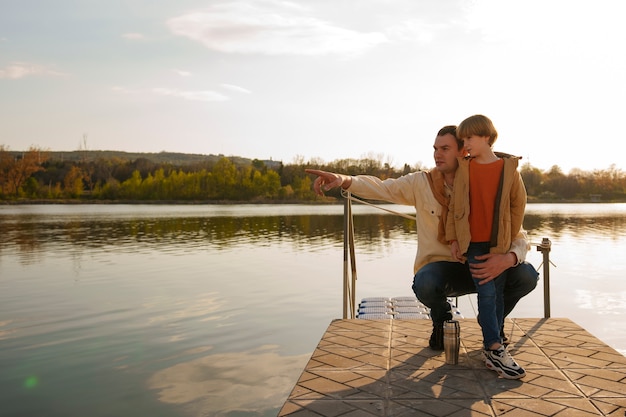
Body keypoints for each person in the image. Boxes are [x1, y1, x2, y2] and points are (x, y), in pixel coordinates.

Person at [305, 125, 538, 375]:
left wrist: (508, 258)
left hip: (485, 265)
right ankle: (442, 319)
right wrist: (344, 180)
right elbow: (384, 187)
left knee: (526, 275)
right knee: (425, 282)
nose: (437, 155)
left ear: (463, 151)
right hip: (444, 270)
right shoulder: (421, 182)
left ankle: (494, 323)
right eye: (435, 149)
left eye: (445, 149)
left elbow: (517, 233)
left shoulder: (484, 180)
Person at [446, 115, 527, 379]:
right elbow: (454, 207)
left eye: (469, 138)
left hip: (498, 243)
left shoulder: (509, 169)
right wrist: (454, 239)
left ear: (487, 138)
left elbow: (518, 206)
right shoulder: (464, 168)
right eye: (463, 139)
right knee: (488, 292)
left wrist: (508, 239)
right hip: (474, 243)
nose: (465, 143)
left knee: (497, 291)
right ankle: (494, 347)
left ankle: (494, 345)